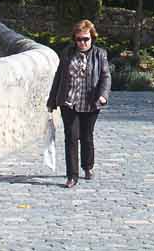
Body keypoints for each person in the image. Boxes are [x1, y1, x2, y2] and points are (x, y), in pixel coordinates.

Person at [45, 19, 111, 186]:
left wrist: (103, 95)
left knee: (87, 136)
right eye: (79, 39)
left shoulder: (100, 54)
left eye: (85, 39)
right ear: (74, 39)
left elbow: (105, 77)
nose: (82, 43)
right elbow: (59, 77)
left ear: (92, 38)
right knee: (71, 137)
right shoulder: (67, 53)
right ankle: (72, 176)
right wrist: (52, 100)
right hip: (69, 102)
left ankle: (88, 166)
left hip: (90, 102)